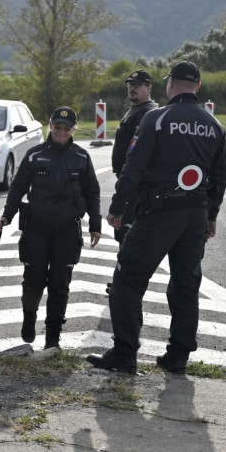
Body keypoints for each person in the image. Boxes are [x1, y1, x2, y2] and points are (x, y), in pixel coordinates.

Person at [88, 61, 226, 374]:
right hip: (196, 214)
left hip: (160, 212)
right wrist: (212, 215)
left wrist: (117, 208)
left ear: (169, 84)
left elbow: (133, 167)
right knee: (186, 285)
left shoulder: (157, 118)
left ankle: (125, 354)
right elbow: (220, 177)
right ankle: (177, 357)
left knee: (127, 280)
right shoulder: (215, 126)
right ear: (198, 87)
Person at [0, 107, 102, 350]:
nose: (61, 132)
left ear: (73, 130)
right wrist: (7, 215)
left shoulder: (82, 157)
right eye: (57, 127)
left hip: (67, 229)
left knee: (59, 282)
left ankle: (53, 337)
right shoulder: (35, 155)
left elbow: (92, 192)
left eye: (67, 128)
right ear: (50, 126)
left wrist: (95, 225)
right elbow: (18, 188)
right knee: (33, 278)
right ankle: (29, 316)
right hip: (37, 227)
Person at [111, 69, 158, 243]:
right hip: (129, 182)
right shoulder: (136, 110)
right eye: (130, 85)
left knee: (129, 238)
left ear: (149, 88)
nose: (132, 88)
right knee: (125, 237)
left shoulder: (147, 113)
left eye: (137, 85)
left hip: (136, 185)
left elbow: (138, 157)